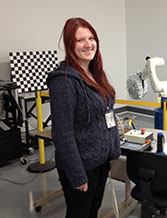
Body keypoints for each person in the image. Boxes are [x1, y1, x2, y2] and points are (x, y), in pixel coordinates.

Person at [47, 17, 121, 218]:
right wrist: (77, 175)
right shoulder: (64, 81)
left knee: (92, 211)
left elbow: (107, 114)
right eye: (80, 40)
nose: (88, 44)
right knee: (79, 213)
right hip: (80, 166)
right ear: (70, 45)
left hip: (99, 161)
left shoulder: (95, 74)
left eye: (91, 38)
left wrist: (113, 149)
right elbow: (63, 134)